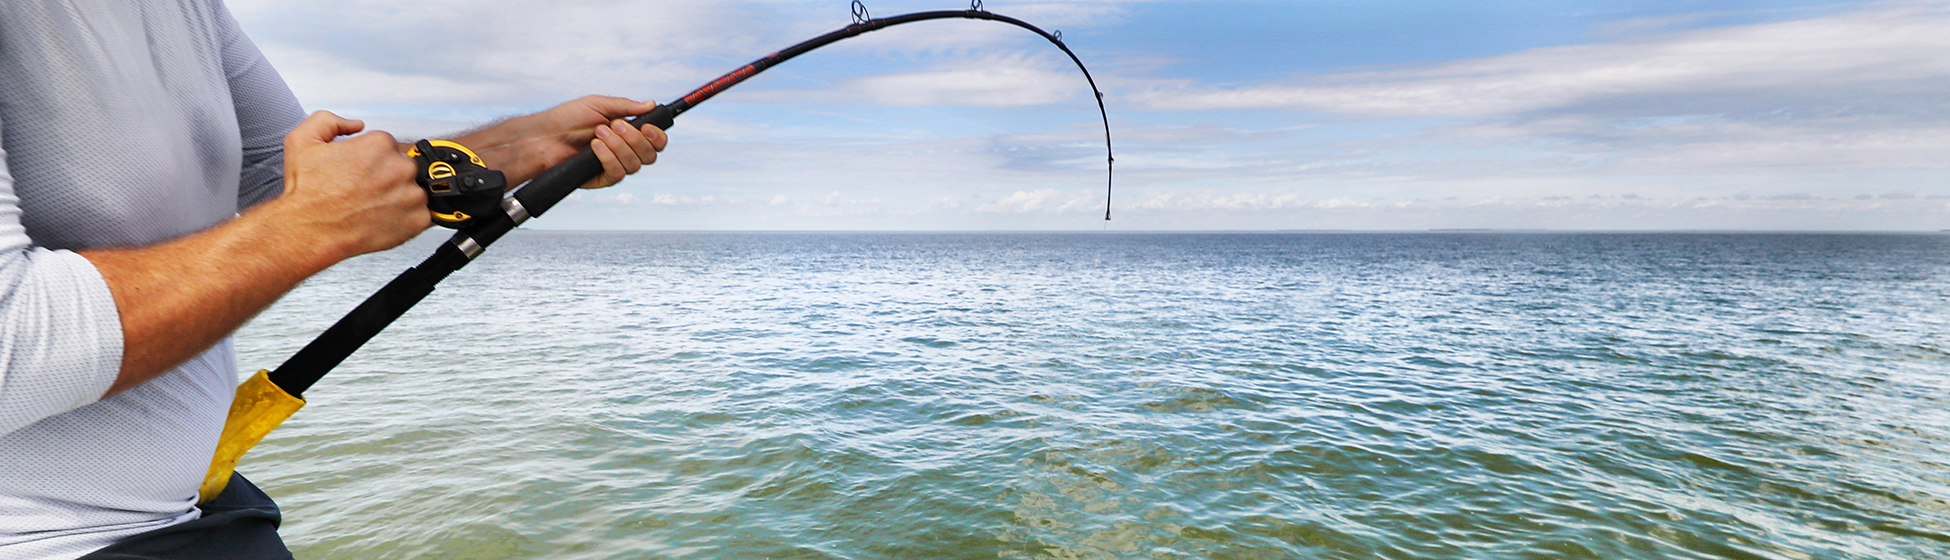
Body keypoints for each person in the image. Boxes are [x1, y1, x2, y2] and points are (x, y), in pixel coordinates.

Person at [0, 1, 669, 558]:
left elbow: (290, 180)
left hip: (201, 510)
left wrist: (529, 145)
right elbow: (12, 346)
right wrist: (303, 231)